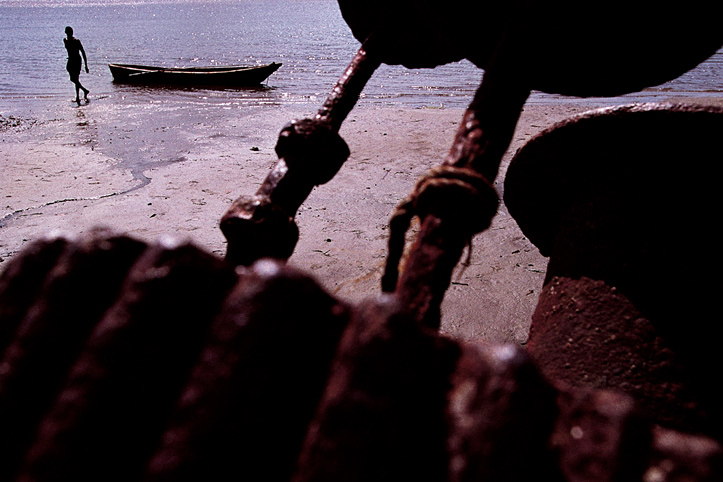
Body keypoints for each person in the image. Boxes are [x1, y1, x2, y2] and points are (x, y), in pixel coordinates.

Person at [64, 26, 90, 103]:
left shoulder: (76, 41)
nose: (68, 34)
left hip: (77, 61)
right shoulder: (65, 40)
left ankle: (77, 97)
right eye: (67, 32)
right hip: (70, 60)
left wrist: (86, 65)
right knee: (73, 79)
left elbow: (83, 52)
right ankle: (84, 90)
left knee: (76, 79)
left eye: (69, 32)